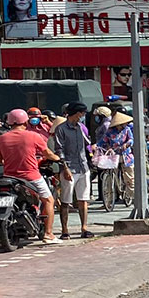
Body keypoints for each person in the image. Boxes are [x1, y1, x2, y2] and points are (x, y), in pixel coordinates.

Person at [0, 108, 59, 243]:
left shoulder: (1, 139)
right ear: (25, 121)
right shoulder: (33, 136)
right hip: (31, 176)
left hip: (9, 178)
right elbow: (47, 154)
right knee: (49, 200)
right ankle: (48, 233)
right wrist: (57, 158)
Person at [50, 102, 95, 239]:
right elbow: (59, 150)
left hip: (83, 166)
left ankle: (84, 228)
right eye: (81, 113)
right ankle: (65, 230)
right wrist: (65, 168)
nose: (82, 116)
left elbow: (87, 144)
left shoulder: (81, 128)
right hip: (69, 168)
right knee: (66, 200)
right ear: (76, 113)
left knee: (83, 199)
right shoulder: (61, 129)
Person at [95, 110, 136, 204]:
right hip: (114, 155)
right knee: (111, 173)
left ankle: (131, 195)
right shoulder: (110, 132)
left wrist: (127, 144)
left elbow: (131, 140)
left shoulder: (127, 130)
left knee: (129, 177)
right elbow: (103, 141)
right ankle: (111, 195)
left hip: (126, 155)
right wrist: (97, 146)